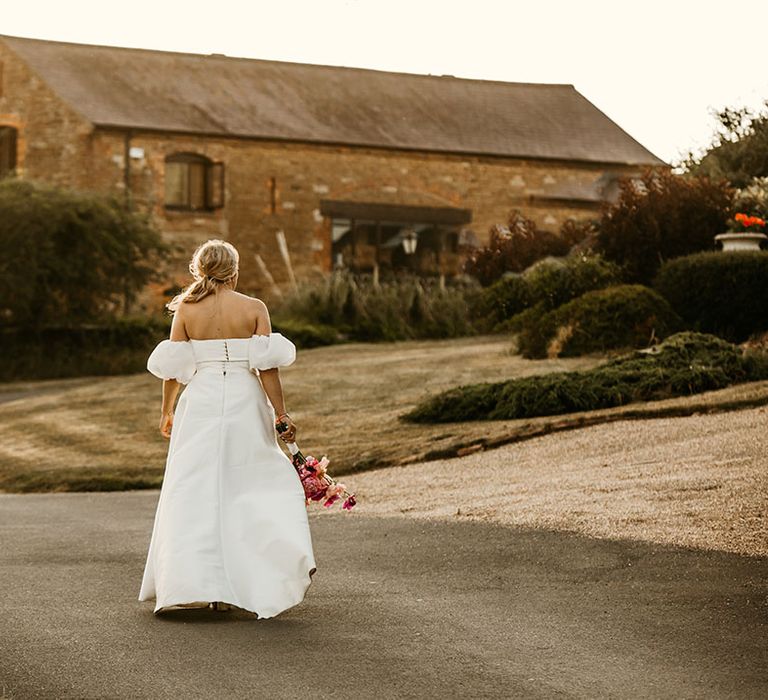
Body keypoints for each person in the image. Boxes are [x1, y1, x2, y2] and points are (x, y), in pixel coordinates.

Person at [138, 239, 316, 618]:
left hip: (199, 402)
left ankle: (191, 585)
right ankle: (257, 577)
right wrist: (281, 414)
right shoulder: (254, 308)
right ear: (234, 271)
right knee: (250, 485)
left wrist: (166, 411)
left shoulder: (186, 308)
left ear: (199, 270)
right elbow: (267, 368)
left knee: (193, 486)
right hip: (244, 402)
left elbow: (174, 368)